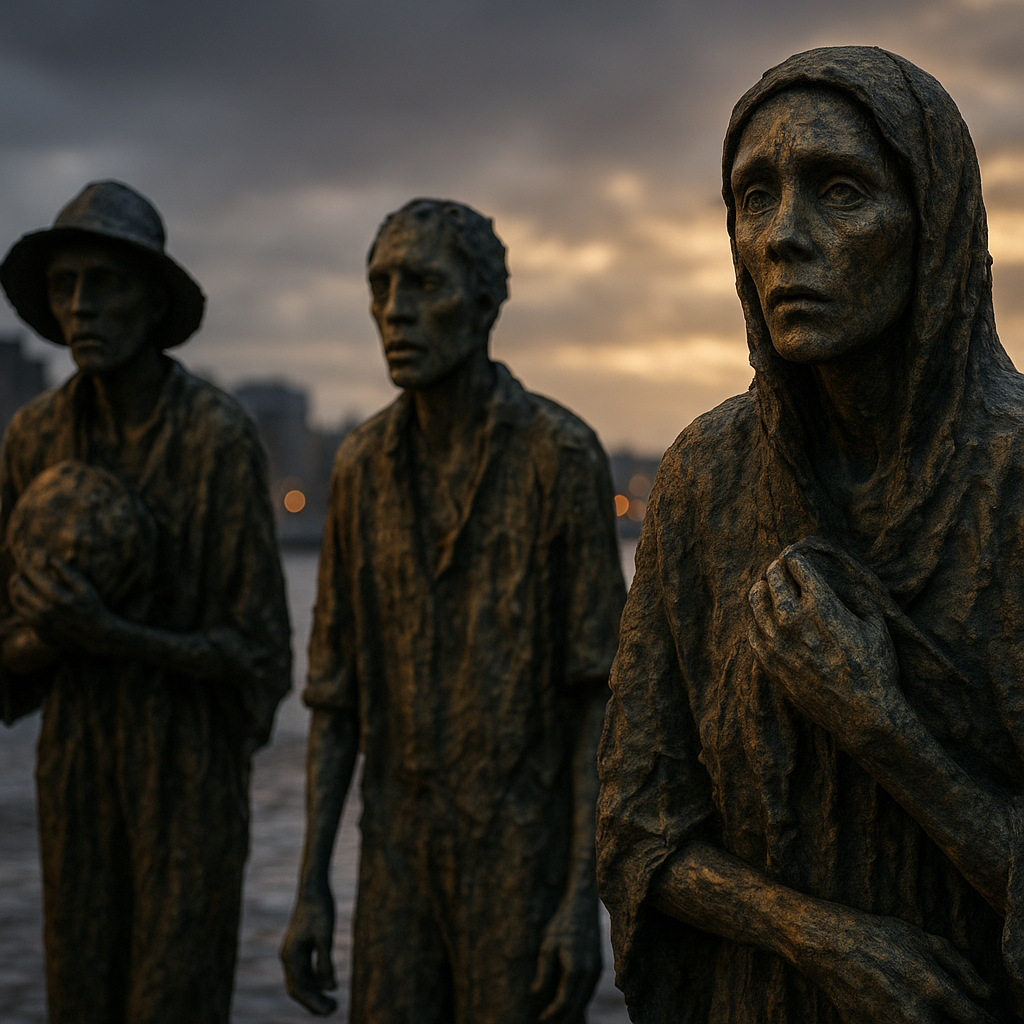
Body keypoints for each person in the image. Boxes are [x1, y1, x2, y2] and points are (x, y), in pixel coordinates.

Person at [597, 46, 1024, 1024]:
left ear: (936, 224)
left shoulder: (1011, 481)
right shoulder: (705, 478)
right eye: (754, 196)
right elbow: (636, 825)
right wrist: (817, 935)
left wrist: (881, 726)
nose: (783, 236)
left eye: (839, 190)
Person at [281, 198, 625, 1022]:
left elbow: (599, 700)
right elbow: (334, 699)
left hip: (524, 860)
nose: (395, 310)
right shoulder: (359, 467)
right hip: (395, 859)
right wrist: (311, 887)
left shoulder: (561, 457)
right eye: (381, 285)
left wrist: (584, 902)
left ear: (483, 303)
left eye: (423, 283)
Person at [0, 180, 291, 1024]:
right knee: (77, 996)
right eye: (64, 286)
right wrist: (44, 640)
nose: (82, 305)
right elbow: (6, 652)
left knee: (176, 998)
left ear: (153, 298)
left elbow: (260, 657)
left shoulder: (216, 437)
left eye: (106, 282)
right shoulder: (31, 441)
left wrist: (113, 635)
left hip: (191, 778)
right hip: (76, 774)